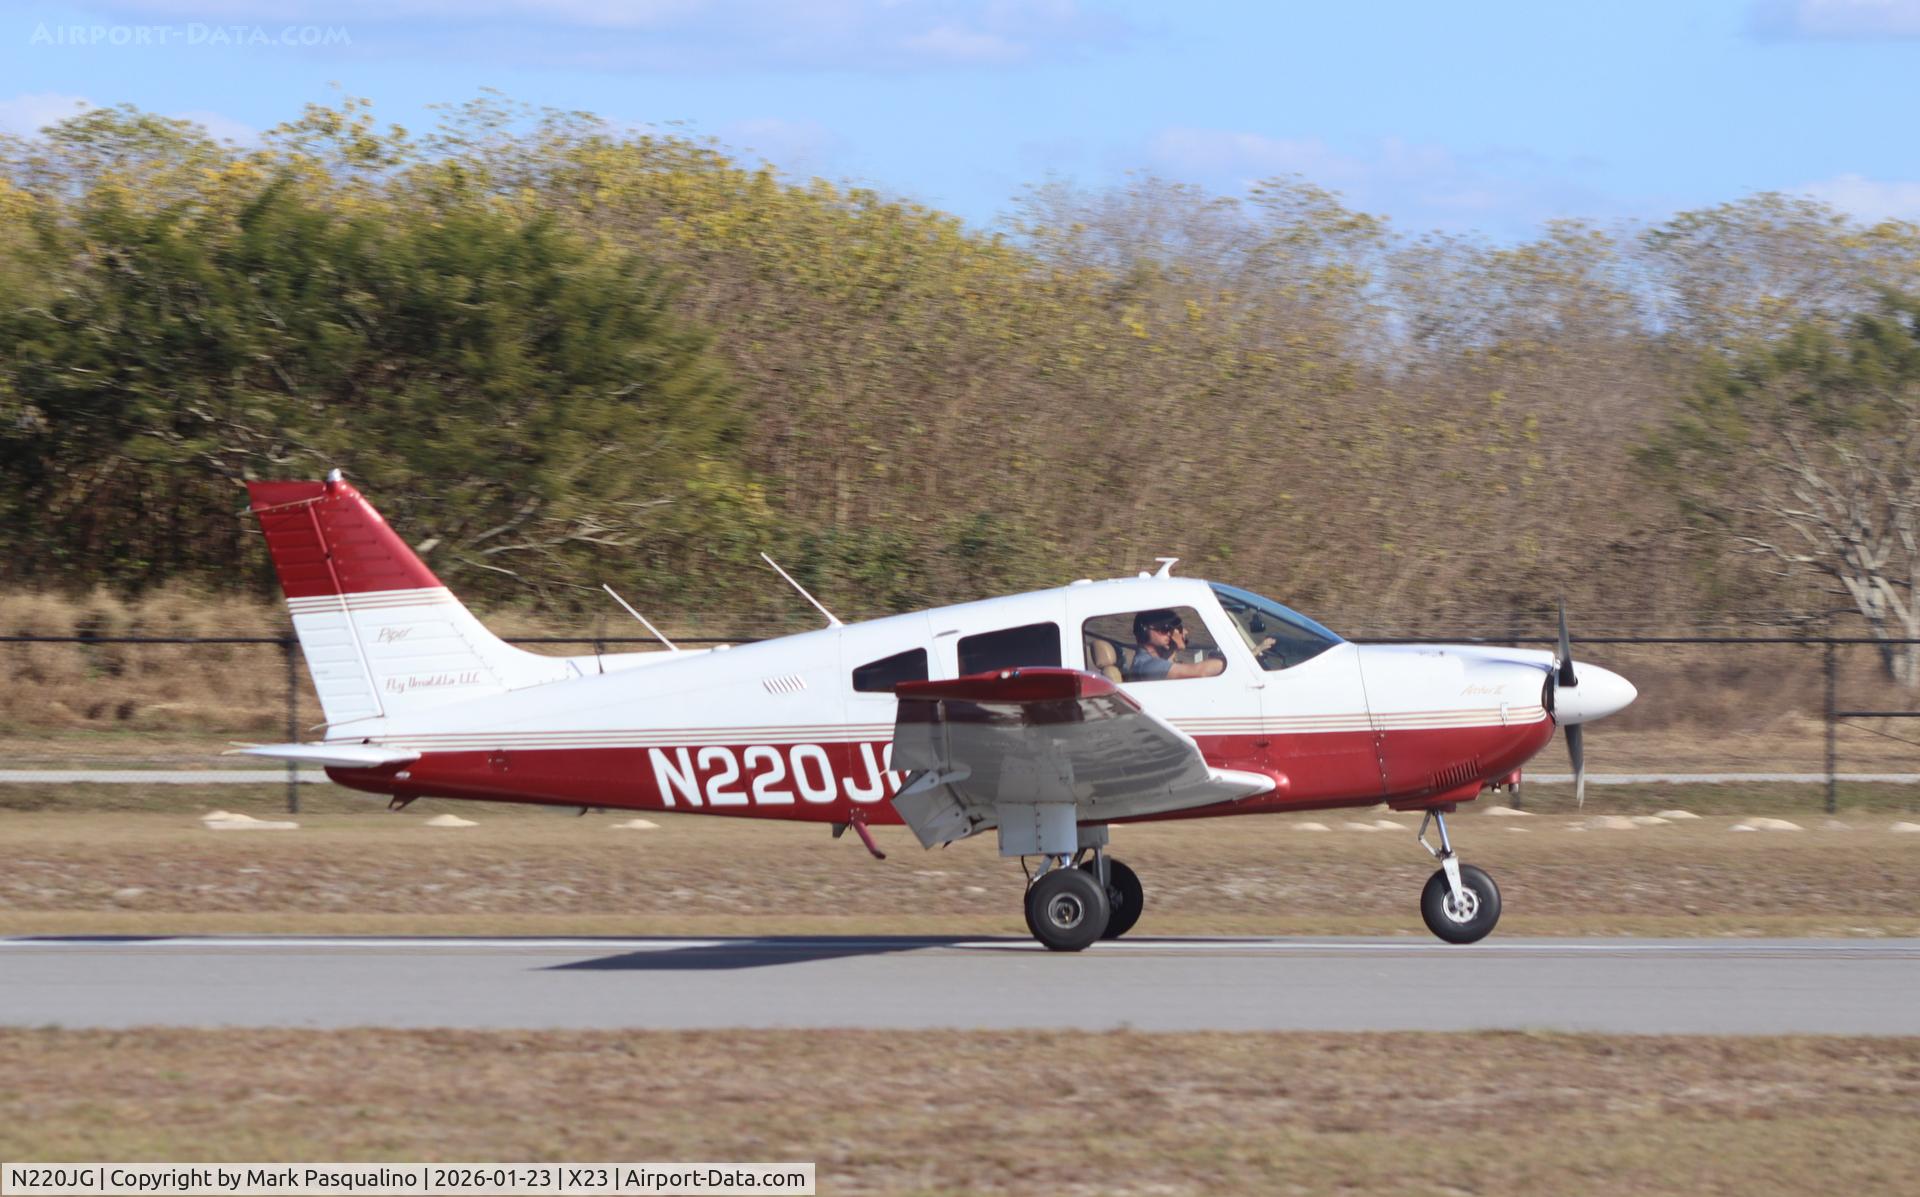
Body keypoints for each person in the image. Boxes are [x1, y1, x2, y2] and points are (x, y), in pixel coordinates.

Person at [1127, 609, 1227, 681]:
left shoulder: (1156, 662)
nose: (1185, 632)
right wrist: (1232, 661)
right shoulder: (1148, 666)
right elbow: (1200, 672)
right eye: (1165, 629)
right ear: (1145, 632)